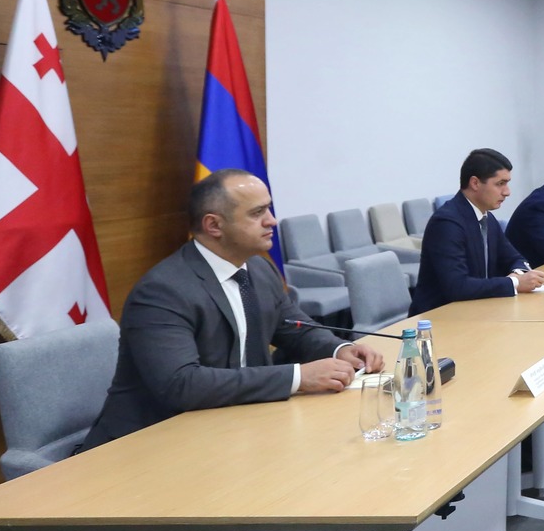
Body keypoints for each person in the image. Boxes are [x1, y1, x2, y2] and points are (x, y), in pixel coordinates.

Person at [86, 169, 384, 450]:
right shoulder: (163, 291)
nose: (272, 221)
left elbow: (295, 328)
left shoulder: (259, 269)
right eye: (257, 213)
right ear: (214, 225)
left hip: (235, 425)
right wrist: (298, 377)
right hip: (151, 441)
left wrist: (340, 349)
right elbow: (181, 384)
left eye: (269, 209)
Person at [410, 148, 544, 315]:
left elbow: (515, 258)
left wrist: (517, 273)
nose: (507, 192)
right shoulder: (446, 223)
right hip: (439, 318)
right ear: (475, 183)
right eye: (500, 184)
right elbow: (457, 286)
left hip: (478, 310)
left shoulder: (487, 217)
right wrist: (515, 283)